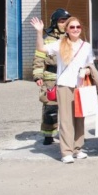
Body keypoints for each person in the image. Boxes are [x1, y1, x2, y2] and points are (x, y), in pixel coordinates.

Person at [30, 16, 96, 163]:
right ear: (66, 29)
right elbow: (41, 49)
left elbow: (90, 64)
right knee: (66, 120)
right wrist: (39, 32)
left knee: (80, 118)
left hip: (80, 86)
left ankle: (77, 148)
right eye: (72, 27)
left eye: (78, 27)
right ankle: (66, 152)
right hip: (65, 85)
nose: (75, 29)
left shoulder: (86, 45)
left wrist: (86, 71)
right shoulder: (60, 44)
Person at [32, 8, 70, 145]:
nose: (65, 24)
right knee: (50, 109)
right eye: (62, 21)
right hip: (50, 78)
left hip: (68, 77)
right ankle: (48, 134)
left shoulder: (72, 37)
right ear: (55, 22)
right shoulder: (47, 40)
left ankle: (68, 135)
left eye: (67, 21)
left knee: (69, 109)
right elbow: (39, 58)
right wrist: (38, 75)